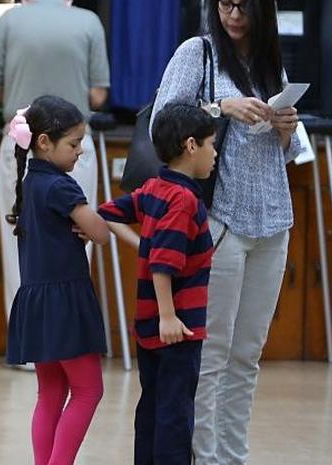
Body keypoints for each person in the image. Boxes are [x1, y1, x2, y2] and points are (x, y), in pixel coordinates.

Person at [151, 0, 303, 464]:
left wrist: (285, 130)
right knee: (211, 355)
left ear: (263, 9)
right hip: (220, 222)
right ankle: (205, 458)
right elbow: (162, 124)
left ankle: (232, 458)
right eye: (224, 4)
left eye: (242, 7)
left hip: (274, 220)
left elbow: (284, 154)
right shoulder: (198, 53)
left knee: (247, 357)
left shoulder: (269, 60)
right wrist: (220, 108)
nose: (232, 16)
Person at [0, 0, 111, 346]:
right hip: (74, 147)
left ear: (24, 1)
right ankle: (71, 341)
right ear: (66, 1)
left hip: (21, 145)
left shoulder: (9, 20)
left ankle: (28, 344)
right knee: (76, 241)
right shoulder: (88, 21)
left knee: (19, 241)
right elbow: (98, 95)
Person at [99, 104, 218, 465]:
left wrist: (141, 246)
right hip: (176, 331)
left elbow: (107, 212)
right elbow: (165, 264)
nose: (216, 154)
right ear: (192, 146)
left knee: (152, 407)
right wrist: (169, 316)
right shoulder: (184, 200)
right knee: (175, 416)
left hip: (149, 327)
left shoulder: (155, 187)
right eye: (213, 145)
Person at [3, 95, 109, 465]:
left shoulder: (31, 182)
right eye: (74, 144)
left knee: (50, 393)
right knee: (88, 390)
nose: (80, 152)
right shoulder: (62, 186)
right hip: (65, 304)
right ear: (44, 142)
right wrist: (93, 223)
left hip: (37, 302)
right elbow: (100, 233)